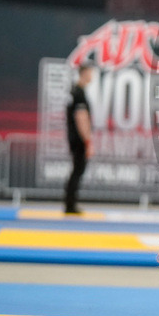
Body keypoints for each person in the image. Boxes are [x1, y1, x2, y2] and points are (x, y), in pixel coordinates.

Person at [64, 63, 94, 214]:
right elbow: (81, 118)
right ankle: (70, 204)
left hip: (74, 137)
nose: (92, 76)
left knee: (76, 170)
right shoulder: (79, 93)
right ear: (84, 73)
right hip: (78, 139)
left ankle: (70, 203)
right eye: (90, 72)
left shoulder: (74, 92)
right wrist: (88, 141)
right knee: (78, 170)